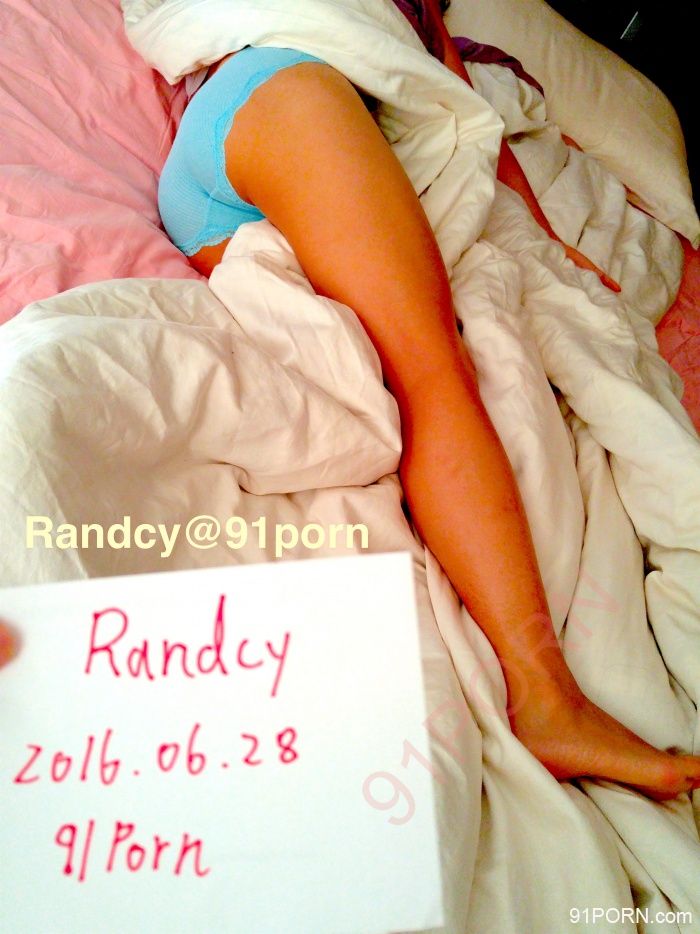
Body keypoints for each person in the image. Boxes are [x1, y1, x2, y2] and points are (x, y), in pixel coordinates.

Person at [3, 0, 698, 801]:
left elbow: (467, 113)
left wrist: (549, 239)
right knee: (431, 370)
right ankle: (546, 696)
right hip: (275, 99)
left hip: (259, 158)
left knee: (359, 384)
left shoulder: (420, 16)